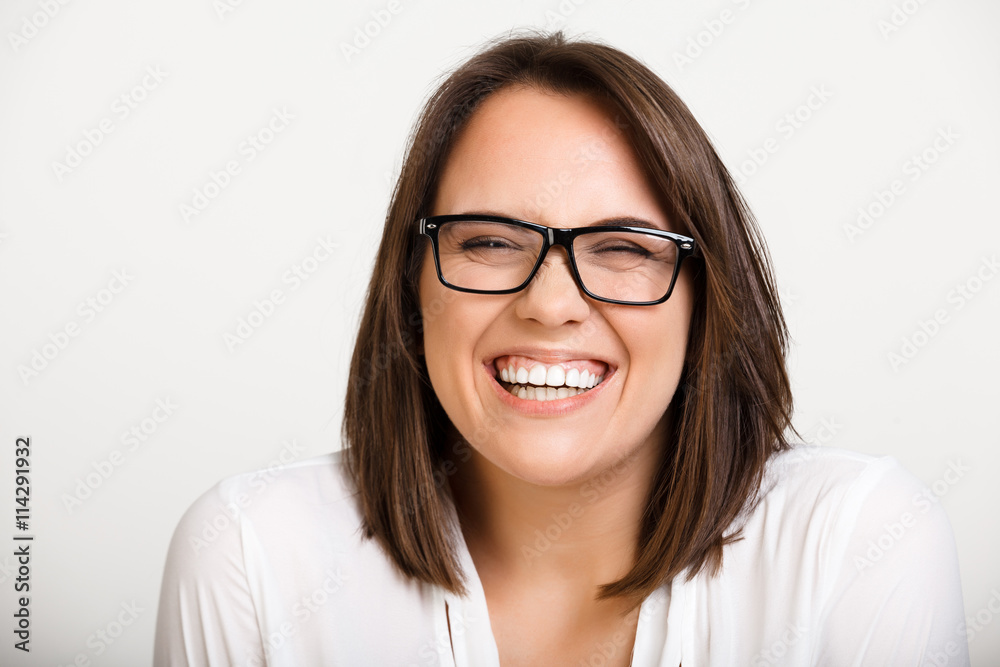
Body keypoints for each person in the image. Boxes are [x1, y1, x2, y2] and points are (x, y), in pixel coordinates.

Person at [153, 32, 969, 666]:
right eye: (489, 242)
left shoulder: (857, 547)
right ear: (413, 285)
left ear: (706, 298)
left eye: (622, 247)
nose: (549, 304)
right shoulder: (253, 556)